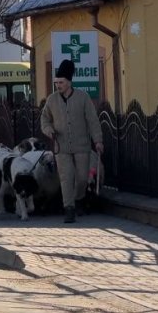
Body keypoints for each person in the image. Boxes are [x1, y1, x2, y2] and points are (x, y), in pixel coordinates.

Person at [41, 60, 103, 224]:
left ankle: (79, 198)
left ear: (69, 82)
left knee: (82, 178)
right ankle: (69, 208)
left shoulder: (83, 97)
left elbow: (93, 121)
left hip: (82, 146)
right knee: (66, 178)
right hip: (61, 147)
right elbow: (44, 120)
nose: (58, 85)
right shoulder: (52, 100)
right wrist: (49, 131)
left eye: (61, 82)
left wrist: (97, 141)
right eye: (56, 82)